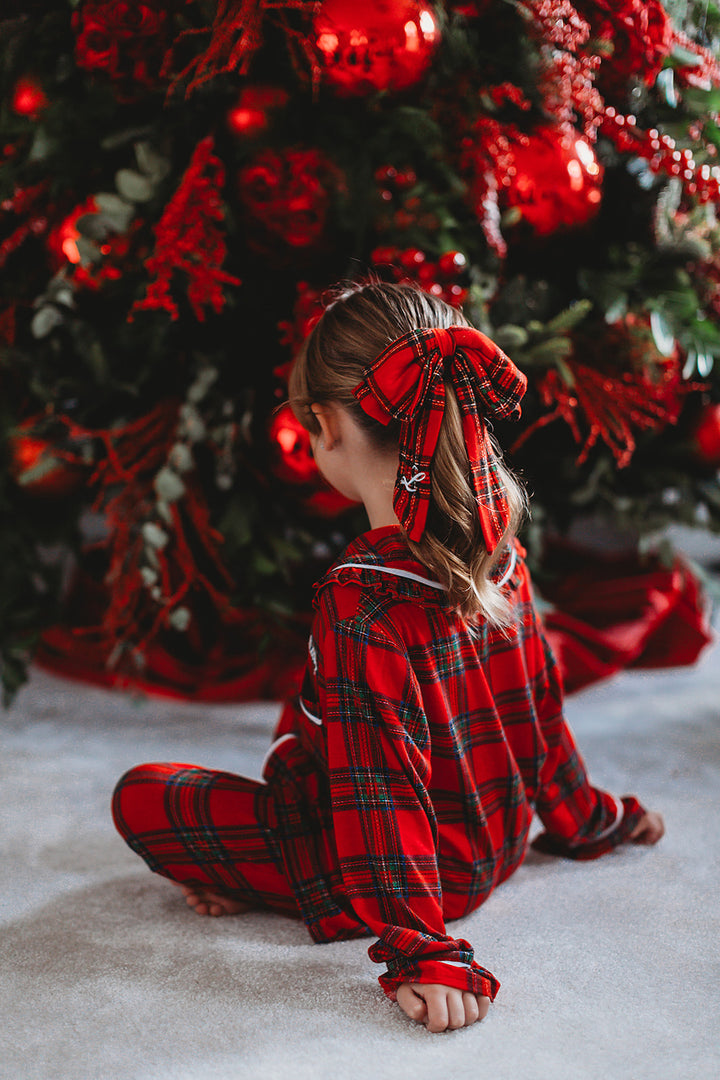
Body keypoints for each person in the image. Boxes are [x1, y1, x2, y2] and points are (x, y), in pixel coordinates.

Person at [112, 280, 664, 1034]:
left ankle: (281, 882)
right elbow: (536, 717)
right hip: (492, 842)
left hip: (408, 872)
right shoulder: (503, 557)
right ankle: (272, 877)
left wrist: (422, 949)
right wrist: (591, 820)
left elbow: (379, 785)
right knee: (304, 713)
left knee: (143, 794)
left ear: (323, 426)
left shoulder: (360, 602)